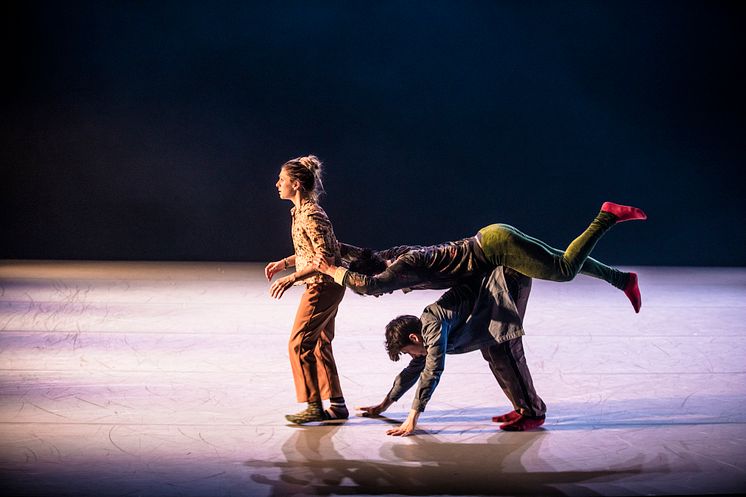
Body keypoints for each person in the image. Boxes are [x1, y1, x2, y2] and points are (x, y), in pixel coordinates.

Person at [316, 202, 646, 312]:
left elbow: (368, 285)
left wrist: (332, 270)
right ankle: (622, 280)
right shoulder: (396, 254)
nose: (389, 290)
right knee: (559, 257)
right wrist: (313, 253)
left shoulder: (403, 265)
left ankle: (607, 216)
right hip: (492, 236)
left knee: (563, 269)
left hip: (495, 249)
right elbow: (363, 255)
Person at [357, 265, 546, 436]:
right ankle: (523, 407)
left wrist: (412, 419)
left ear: (414, 337)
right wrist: (383, 406)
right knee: (491, 351)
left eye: (408, 352)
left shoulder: (432, 326)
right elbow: (411, 373)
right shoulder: (424, 337)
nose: (413, 356)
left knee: (503, 349)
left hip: (507, 280)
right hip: (491, 294)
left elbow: (433, 371)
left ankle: (533, 413)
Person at [265, 155, 348, 424]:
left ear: (297, 184)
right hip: (325, 285)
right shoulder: (301, 212)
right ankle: (336, 404)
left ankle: (314, 405)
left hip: (322, 285)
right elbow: (308, 251)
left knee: (299, 343)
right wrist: (284, 262)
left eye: (282, 180)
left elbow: (326, 259)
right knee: (320, 343)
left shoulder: (312, 214)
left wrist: (290, 279)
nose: (277, 184)